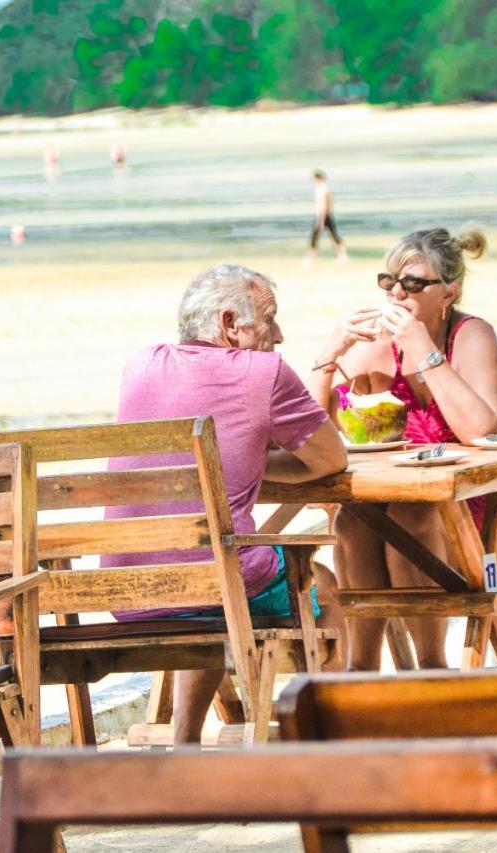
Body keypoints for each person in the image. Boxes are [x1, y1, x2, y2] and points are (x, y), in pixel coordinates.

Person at [101, 264, 348, 744]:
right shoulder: (265, 372)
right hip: (217, 586)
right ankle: (332, 744)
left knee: (214, 569)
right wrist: (258, 454)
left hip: (127, 591)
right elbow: (331, 459)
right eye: (269, 320)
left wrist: (244, 456)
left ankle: (186, 743)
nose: (279, 335)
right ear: (230, 323)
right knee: (325, 588)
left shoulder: (142, 363)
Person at [305, 226, 497, 671]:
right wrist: (330, 354)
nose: (397, 294)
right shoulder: (377, 349)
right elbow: (311, 434)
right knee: (353, 520)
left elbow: (481, 428)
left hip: (480, 507)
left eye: (413, 284)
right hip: (398, 500)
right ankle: (362, 670)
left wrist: (423, 349)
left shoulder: (470, 335)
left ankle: (430, 669)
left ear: (449, 293)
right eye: (389, 282)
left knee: (411, 516)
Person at [306, 169, 349, 264]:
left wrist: (321, 220)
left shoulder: (323, 189)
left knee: (316, 237)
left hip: (322, 215)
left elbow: (325, 205)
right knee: (333, 235)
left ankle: (312, 258)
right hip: (324, 215)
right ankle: (342, 256)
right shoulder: (323, 188)